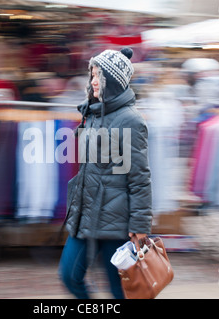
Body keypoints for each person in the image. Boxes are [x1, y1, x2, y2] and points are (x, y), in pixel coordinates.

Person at [58, 47, 153, 299]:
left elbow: (140, 179)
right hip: (87, 215)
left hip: (117, 223)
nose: (93, 81)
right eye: (92, 75)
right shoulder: (93, 113)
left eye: (98, 75)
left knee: (120, 290)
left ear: (113, 81)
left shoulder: (132, 120)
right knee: (68, 275)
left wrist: (140, 228)